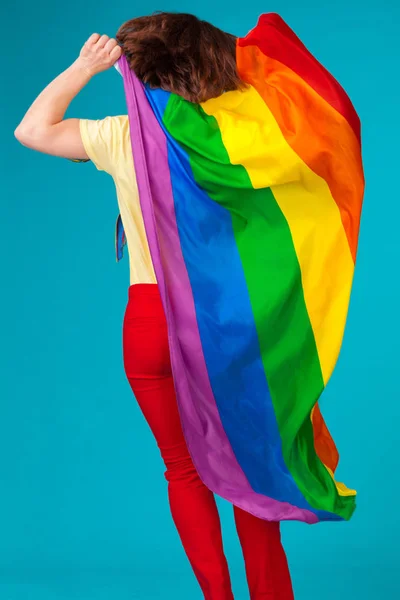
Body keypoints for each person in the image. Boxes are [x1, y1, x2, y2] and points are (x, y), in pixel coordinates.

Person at [15, 12, 295, 600]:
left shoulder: (123, 136)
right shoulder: (239, 139)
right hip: (223, 325)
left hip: (147, 321)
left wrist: (83, 67)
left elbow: (32, 131)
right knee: (247, 473)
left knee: (183, 468)